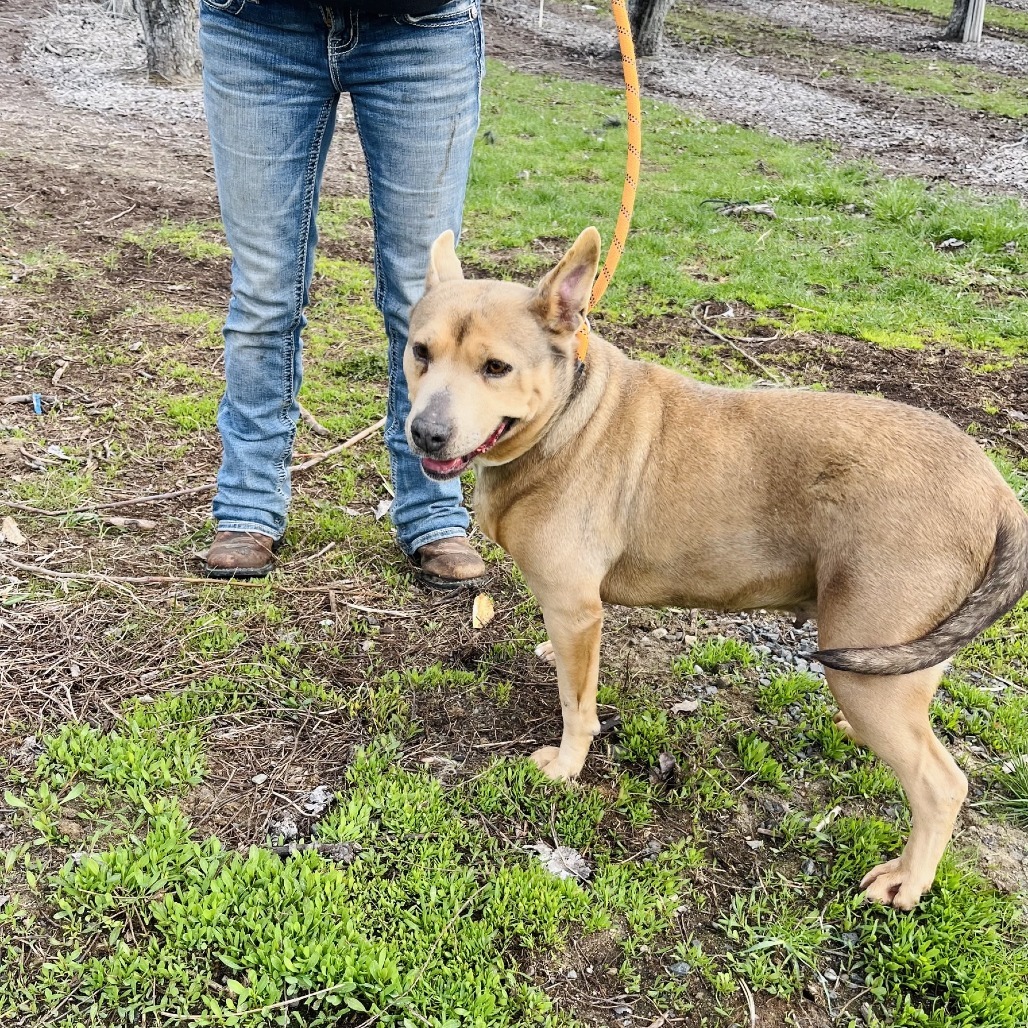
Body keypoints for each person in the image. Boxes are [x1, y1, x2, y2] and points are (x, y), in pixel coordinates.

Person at [198, 0, 487, 589]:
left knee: (424, 294)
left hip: (422, 30)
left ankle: (433, 509)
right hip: (254, 25)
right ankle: (249, 505)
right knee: (263, 294)